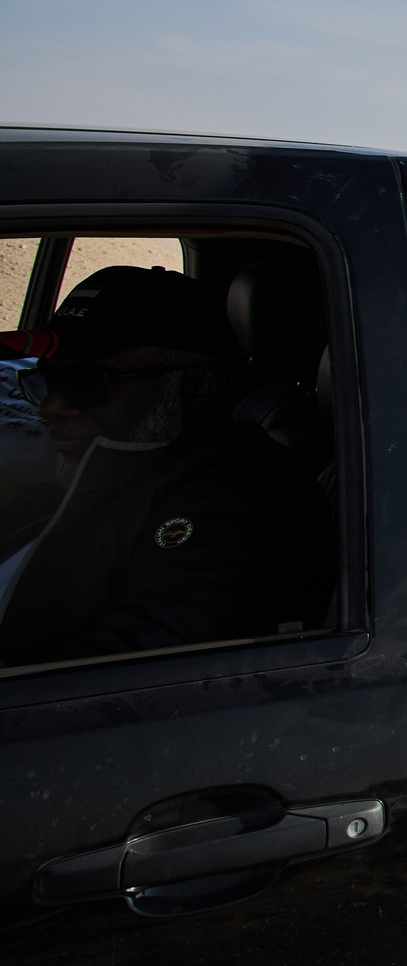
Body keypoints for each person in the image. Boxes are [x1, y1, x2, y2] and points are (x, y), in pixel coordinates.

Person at [0, 266, 333, 667]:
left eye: (86, 383)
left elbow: (124, 678)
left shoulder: (244, 503)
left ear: (198, 386)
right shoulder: (96, 470)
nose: (50, 407)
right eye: (49, 380)